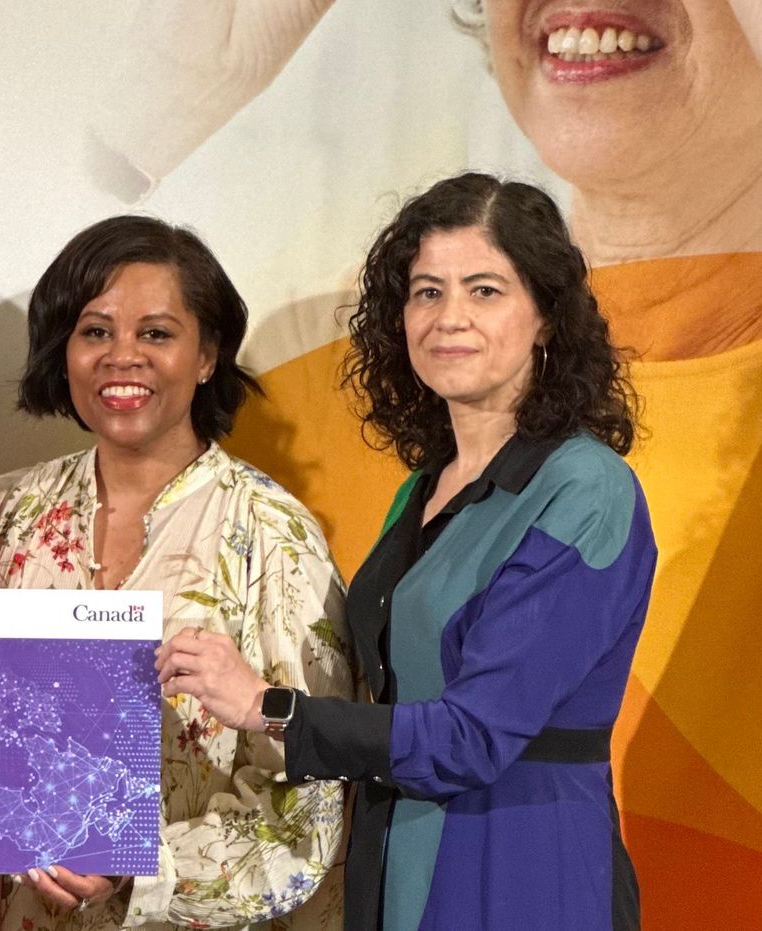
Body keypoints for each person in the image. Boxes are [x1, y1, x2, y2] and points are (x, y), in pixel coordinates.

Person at [157, 174, 655, 931]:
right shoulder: (423, 487)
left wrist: (268, 705)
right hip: (394, 848)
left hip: (520, 861)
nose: (449, 317)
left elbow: (475, 734)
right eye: (427, 292)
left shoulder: (587, 488)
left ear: (547, 317)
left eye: (484, 290)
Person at [0, 216, 352, 930]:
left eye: (156, 333)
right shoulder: (2, 514)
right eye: (95, 331)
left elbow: (308, 814)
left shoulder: (273, 537)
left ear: (208, 353)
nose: (123, 357)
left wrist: (136, 863)